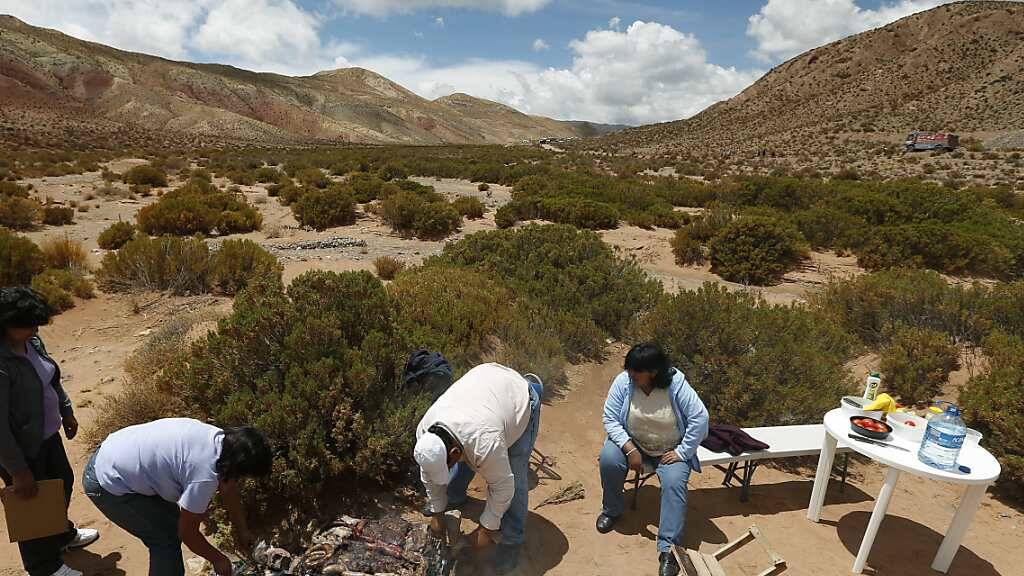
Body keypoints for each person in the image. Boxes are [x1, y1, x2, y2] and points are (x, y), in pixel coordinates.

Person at [83, 419, 272, 576]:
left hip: (114, 452)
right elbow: (188, 534)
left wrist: (243, 529)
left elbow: (229, 490)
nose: (240, 480)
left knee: (172, 523)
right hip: (106, 482)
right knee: (165, 538)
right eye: (242, 475)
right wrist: (218, 560)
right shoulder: (204, 475)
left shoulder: (218, 439)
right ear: (236, 466)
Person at [0, 287, 100, 576]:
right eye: (28, 324)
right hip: (19, 448)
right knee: (31, 504)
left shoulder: (32, 342)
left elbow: (50, 379)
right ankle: (43, 566)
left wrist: (66, 410)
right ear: (5, 322)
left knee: (61, 484)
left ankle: (59, 536)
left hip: (47, 435)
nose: (35, 329)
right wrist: (17, 470)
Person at [413, 363, 542, 575]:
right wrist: (437, 511)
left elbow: (503, 487)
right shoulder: (425, 433)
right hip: (483, 394)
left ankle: (512, 542)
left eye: (451, 461)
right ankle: (454, 496)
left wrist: (487, 528)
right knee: (471, 462)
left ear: (455, 452)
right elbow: (428, 474)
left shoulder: (485, 441)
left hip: (518, 399)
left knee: (515, 475)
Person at [596, 343, 709, 576]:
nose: (630, 376)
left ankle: (669, 549)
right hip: (634, 442)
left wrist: (682, 452)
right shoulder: (624, 382)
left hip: (669, 449)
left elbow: (700, 418)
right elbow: (610, 418)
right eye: (629, 370)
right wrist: (629, 448)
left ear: (653, 372)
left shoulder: (676, 385)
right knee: (608, 459)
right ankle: (612, 510)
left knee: (674, 483)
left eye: (636, 372)